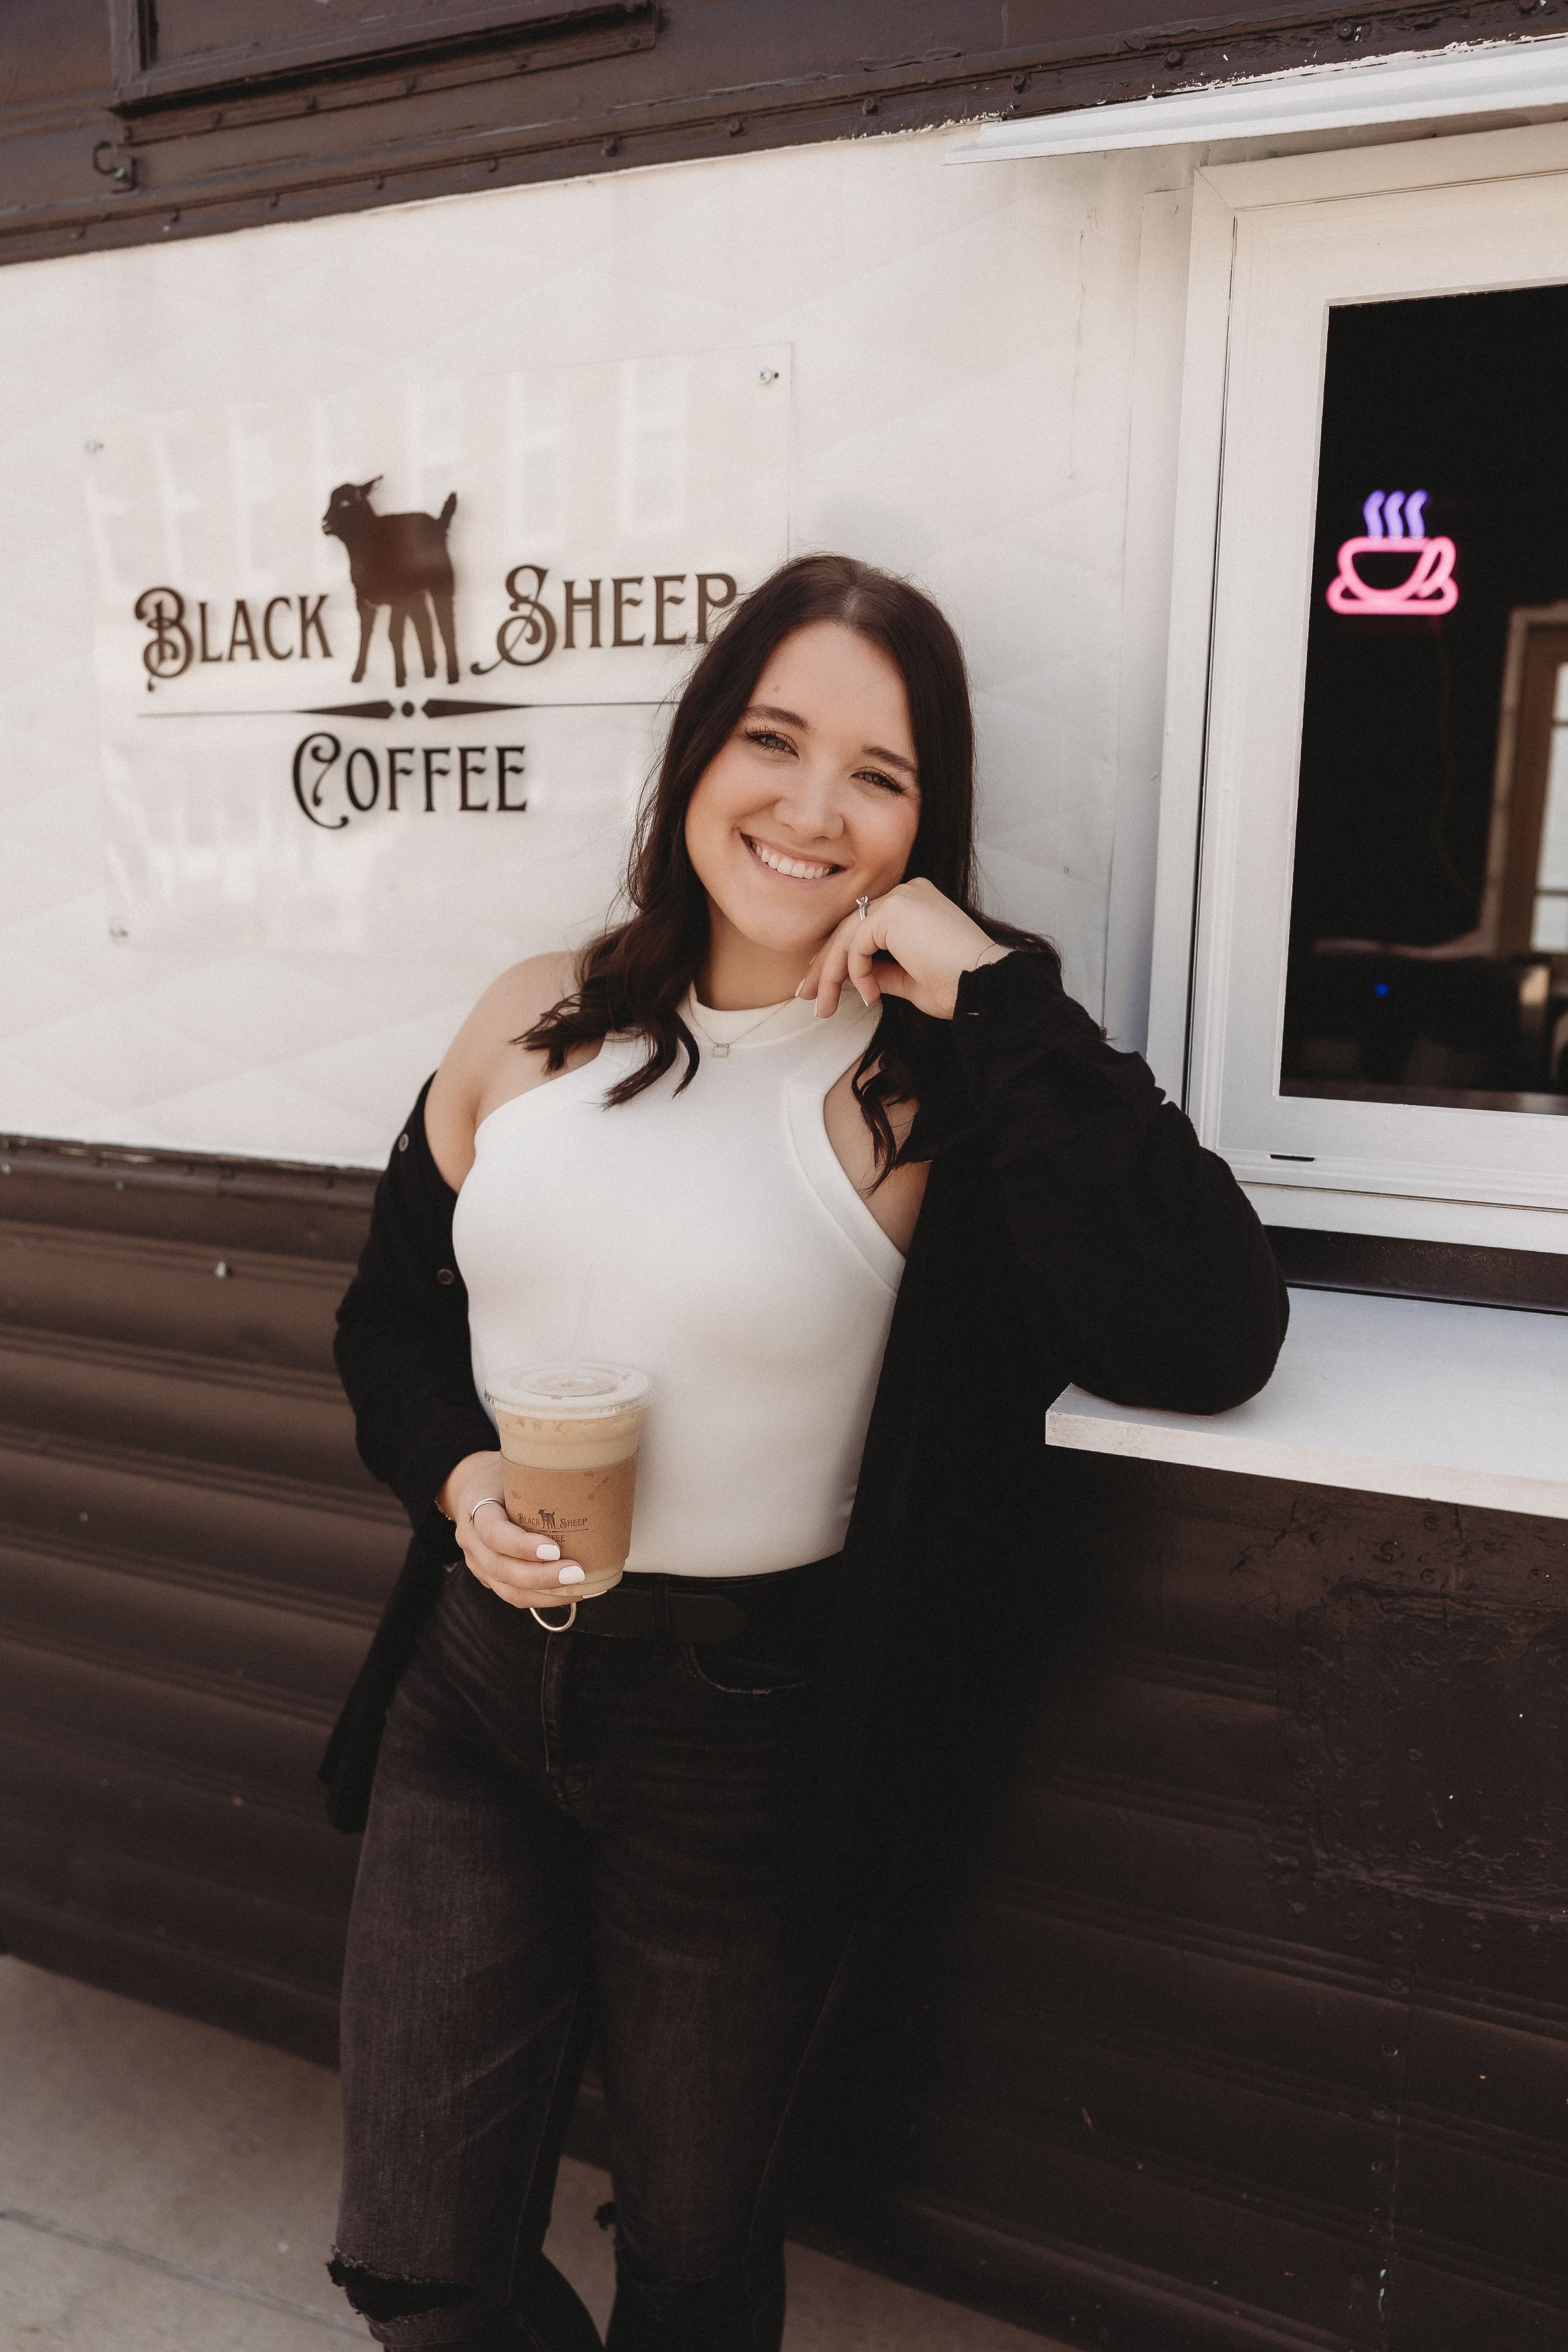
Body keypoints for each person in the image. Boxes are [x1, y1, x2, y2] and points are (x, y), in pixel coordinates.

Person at [321, 553, 1288, 2351]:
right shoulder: (533, 1019)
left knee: (691, 2261)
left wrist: (989, 990)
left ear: (928, 824)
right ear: (698, 757)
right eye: (772, 739)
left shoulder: (932, 1086)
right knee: (420, 2266)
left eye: (879, 772)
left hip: (740, 1738)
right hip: (472, 1699)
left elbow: (1202, 1333)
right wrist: (458, 1484)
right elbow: (388, 1314)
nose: (809, 807)